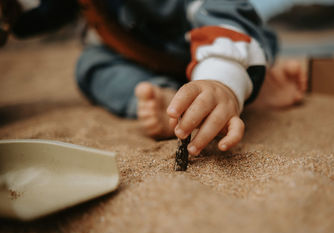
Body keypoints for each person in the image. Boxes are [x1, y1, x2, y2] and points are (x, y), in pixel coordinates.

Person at [4, 0, 306, 156]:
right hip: (146, 63)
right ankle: (167, 99)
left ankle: (239, 86)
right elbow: (35, 15)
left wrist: (222, 78)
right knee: (89, 64)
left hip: (214, 44)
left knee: (238, 60)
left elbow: (220, 8)